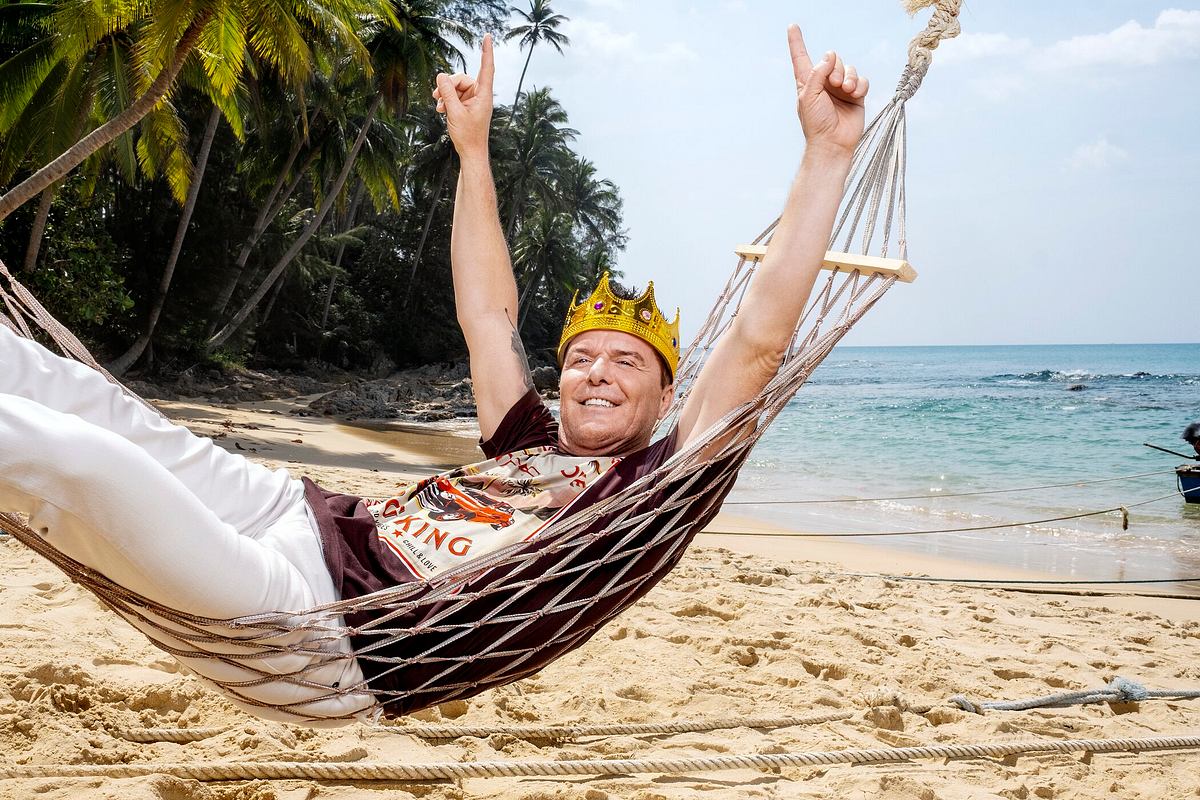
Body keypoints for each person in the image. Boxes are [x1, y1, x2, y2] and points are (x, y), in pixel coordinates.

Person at [0, 26, 869, 724]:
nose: (597, 373)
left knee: (83, 462)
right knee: (82, 400)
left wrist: (826, 156)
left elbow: (757, 342)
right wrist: (474, 151)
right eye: (580, 358)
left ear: (668, 399)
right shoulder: (529, 443)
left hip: (317, 634)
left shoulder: (655, 487)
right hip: (294, 512)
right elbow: (487, 314)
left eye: (627, 363)